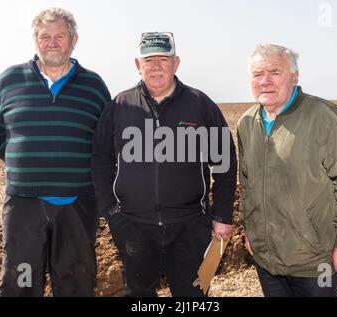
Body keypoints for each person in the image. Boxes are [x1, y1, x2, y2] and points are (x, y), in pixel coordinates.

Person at [92, 32, 237, 297]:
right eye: (149, 60)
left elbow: (225, 161)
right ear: (138, 65)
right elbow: (100, 159)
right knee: (139, 295)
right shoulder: (119, 106)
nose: (156, 66)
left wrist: (222, 215)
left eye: (164, 59)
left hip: (190, 225)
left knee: (192, 296)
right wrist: (111, 211)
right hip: (134, 226)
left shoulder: (200, 104)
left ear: (176, 63)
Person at [0, 7, 111, 296]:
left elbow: (106, 143)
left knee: (76, 284)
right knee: (21, 283)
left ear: (74, 40)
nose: (52, 42)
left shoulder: (94, 86)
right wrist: (24, 161)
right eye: (45, 36)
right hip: (24, 206)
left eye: (60, 35)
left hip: (78, 205)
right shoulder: (9, 80)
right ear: (36, 40)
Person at [237, 44, 337, 297]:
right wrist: (251, 229)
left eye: (274, 72)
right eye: (258, 74)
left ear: (295, 75)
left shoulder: (323, 117)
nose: (265, 81)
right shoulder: (247, 122)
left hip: (315, 261)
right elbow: (247, 184)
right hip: (266, 259)